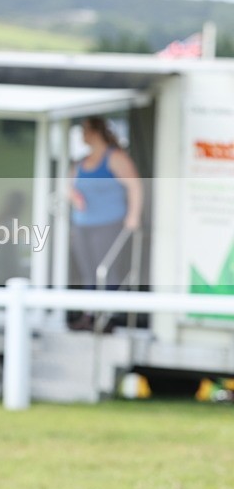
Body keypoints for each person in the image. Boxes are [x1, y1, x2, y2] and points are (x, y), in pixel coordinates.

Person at [69, 116, 142, 331]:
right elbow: (68, 185)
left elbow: (135, 186)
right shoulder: (82, 162)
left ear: (95, 131)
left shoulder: (115, 158)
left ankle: (108, 316)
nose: (82, 135)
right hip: (83, 224)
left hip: (109, 223)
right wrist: (74, 197)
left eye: (84, 130)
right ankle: (90, 315)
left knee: (106, 270)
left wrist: (133, 217)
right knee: (88, 271)